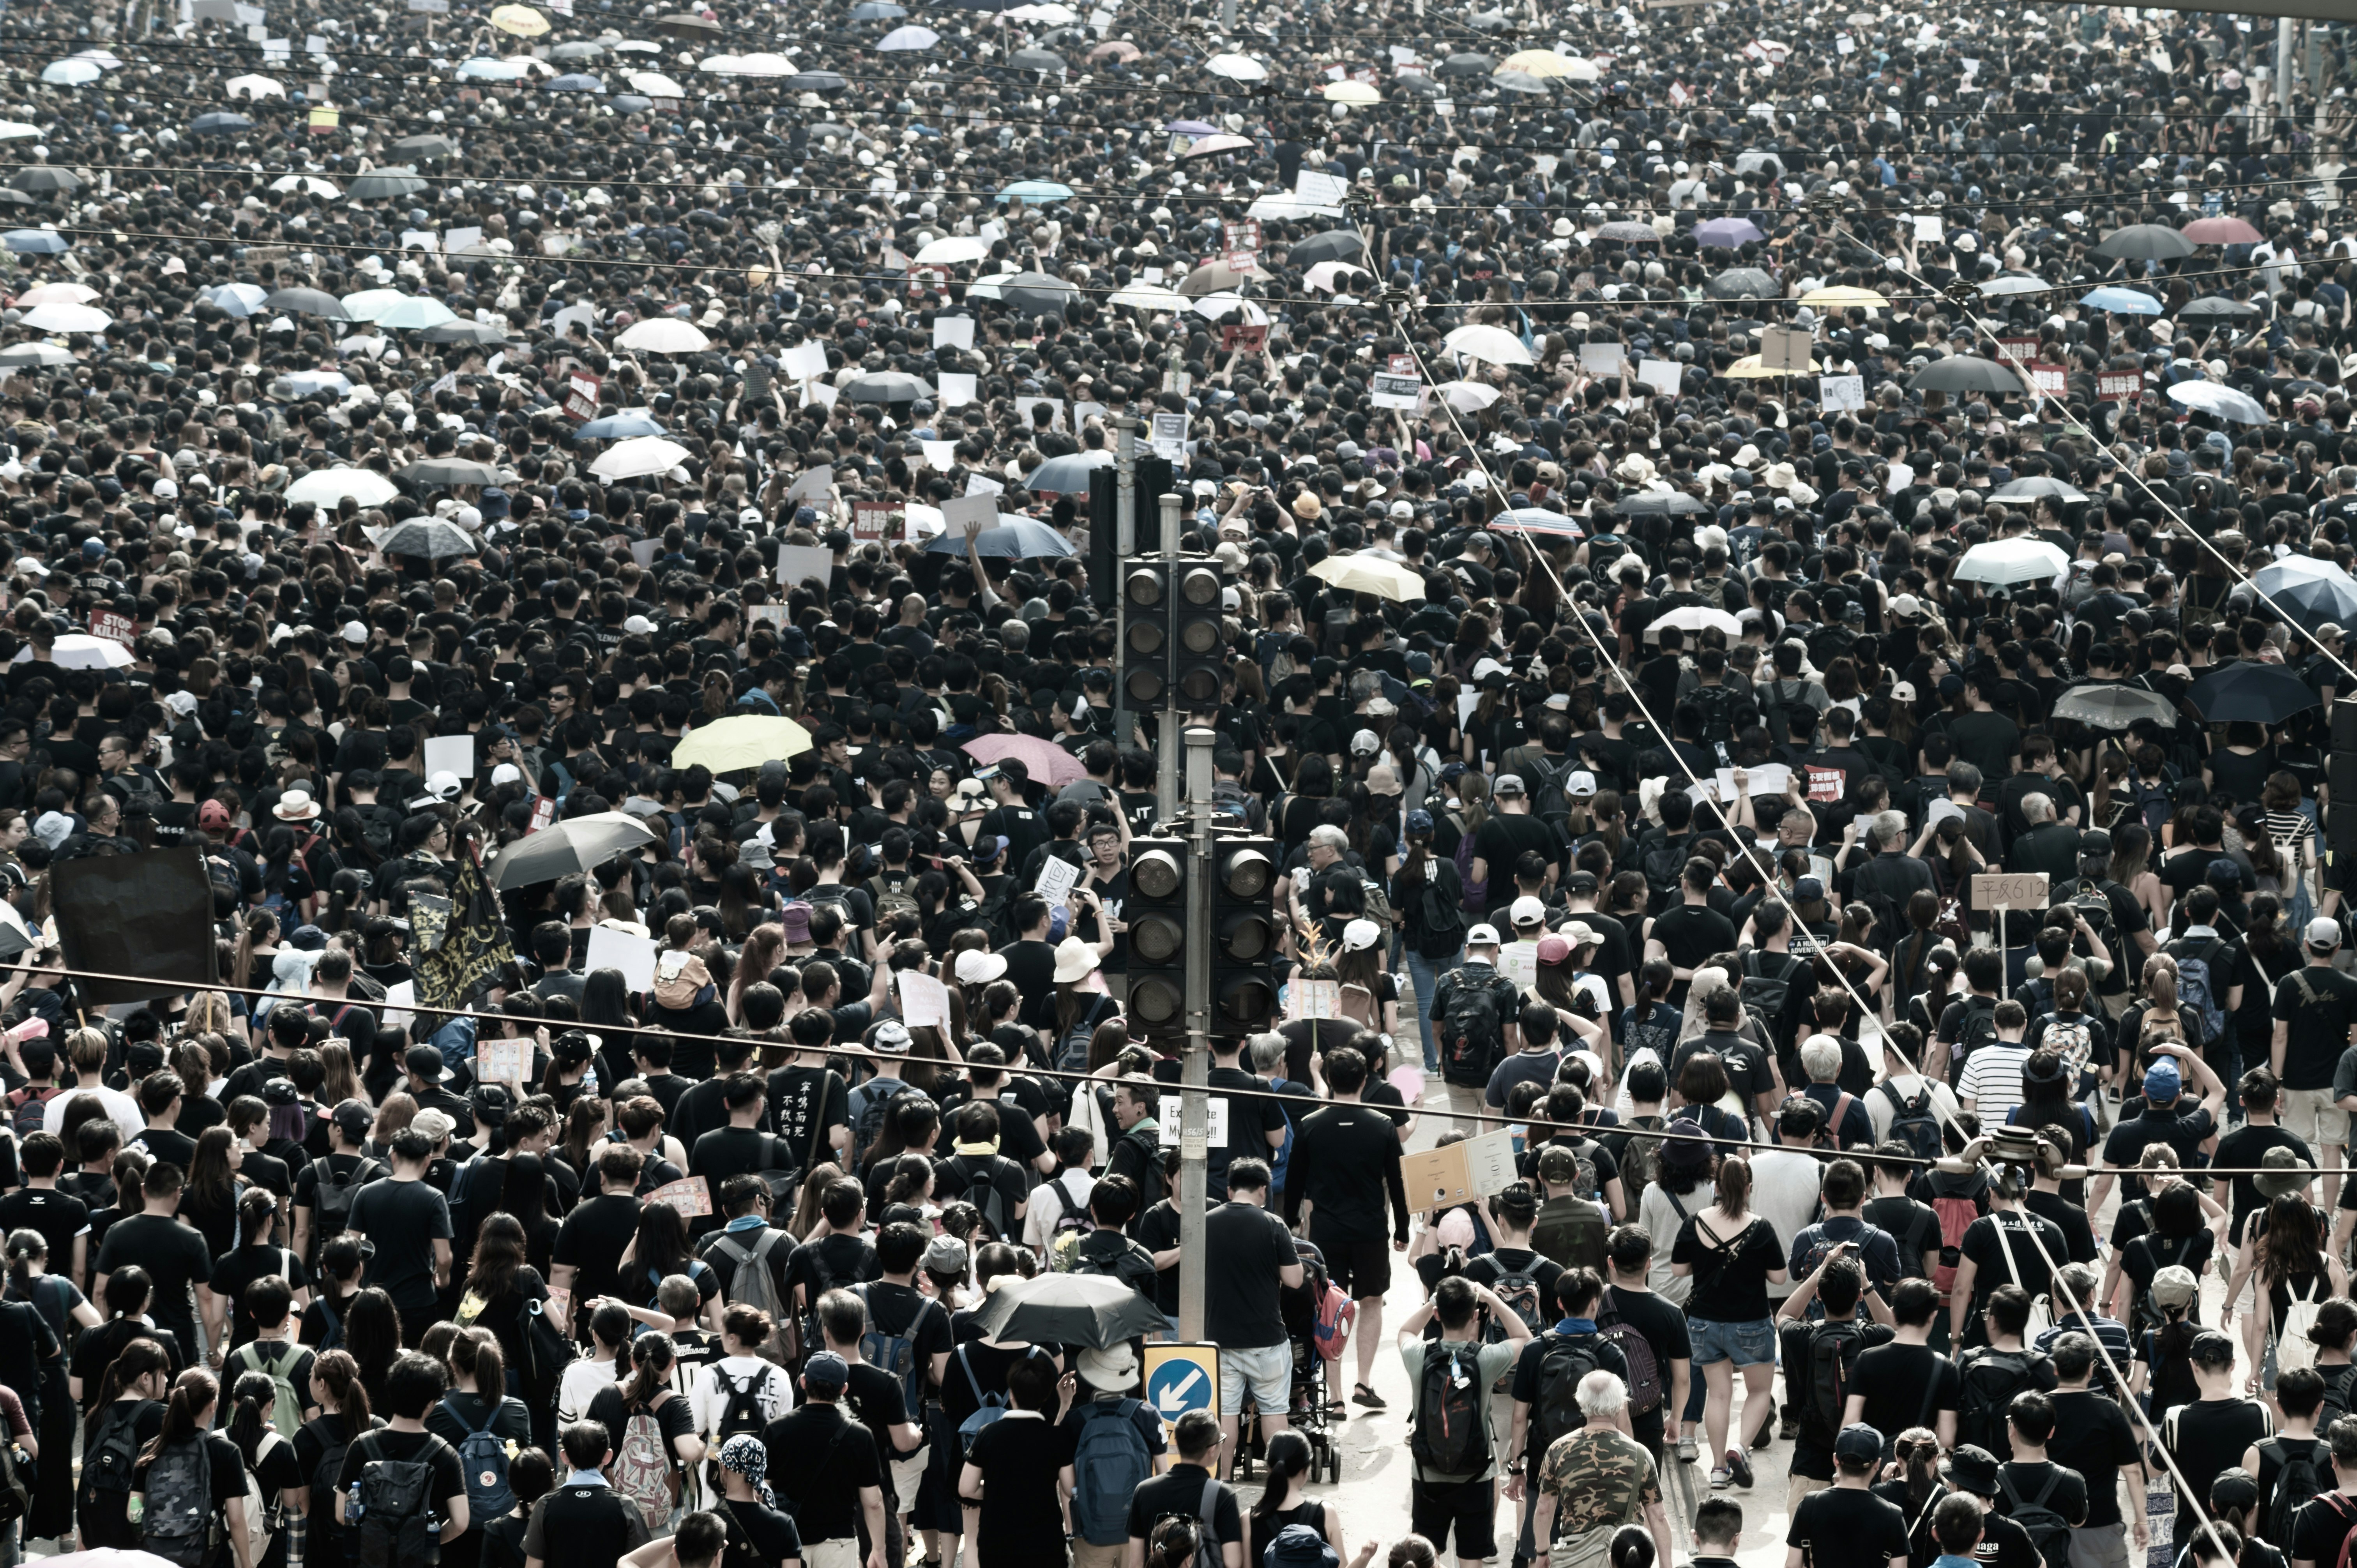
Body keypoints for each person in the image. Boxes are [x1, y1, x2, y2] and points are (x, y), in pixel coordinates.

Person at [1280, 1050, 1408, 1412]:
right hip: (1370, 1229)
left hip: (1326, 1232)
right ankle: (1363, 1382)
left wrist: (1291, 1223)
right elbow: (1397, 1182)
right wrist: (1402, 1227)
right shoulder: (1383, 1124)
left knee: (1328, 1308)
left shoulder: (1311, 1125)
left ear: (1330, 1081)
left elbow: (1295, 1182)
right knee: (1371, 1302)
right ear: (1364, 1081)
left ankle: (1334, 1396)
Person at [1398, 1273, 1528, 1568]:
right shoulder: (1485, 1359)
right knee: (1471, 1559)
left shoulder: (1420, 1356)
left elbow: (1405, 1331)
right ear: (1474, 1316)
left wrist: (1433, 1301)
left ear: (1436, 1315)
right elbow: (1523, 1338)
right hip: (1476, 1475)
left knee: (1426, 1556)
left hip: (1427, 1474)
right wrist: (1493, 1299)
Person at [1529, 1371, 1673, 1568]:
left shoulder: (1558, 1450)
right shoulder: (1641, 1455)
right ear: (1620, 1405)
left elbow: (1544, 1508)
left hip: (1576, 1557)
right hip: (1626, 1559)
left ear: (1581, 1403)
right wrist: (1667, 1565)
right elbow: (1658, 1516)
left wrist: (1542, 1552)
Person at [758, 1353, 887, 1568]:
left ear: (803, 1383)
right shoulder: (860, 1435)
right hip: (839, 1542)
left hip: (788, 1541)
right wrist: (879, 1550)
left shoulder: (777, 1429)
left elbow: (762, 1491)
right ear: (844, 1389)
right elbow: (873, 1502)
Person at [956, 1352, 1074, 1568]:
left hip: (997, 1543)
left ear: (1012, 1394)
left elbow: (966, 1489)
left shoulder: (987, 1434)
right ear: (1046, 1396)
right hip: (1046, 1543)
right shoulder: (1057, 1438)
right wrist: (1065, 1405)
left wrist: (996, 1490)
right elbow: (1069, 1488)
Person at [520, 1421, 654, 1568]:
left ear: (564, 1457)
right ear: (608, 1456)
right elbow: (642, 1562)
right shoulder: (625, 1505)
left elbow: (533, 1566)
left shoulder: (545, 1505)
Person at [1124, 1411, 1244, 1568]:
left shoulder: (1144, 1490)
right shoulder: (1223, 1496)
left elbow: (1136, 1562)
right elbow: (1233, 1563)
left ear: (1177, 1442)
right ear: (1212, 1449)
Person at [1784, 1423, 1913, 1568]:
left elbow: (1792, 1566)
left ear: (1836, 1460)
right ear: (1877, 1464)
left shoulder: (1809, 1505)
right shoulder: (1892, 1515)